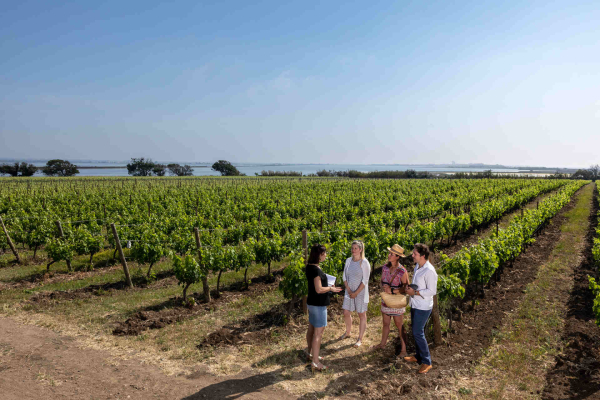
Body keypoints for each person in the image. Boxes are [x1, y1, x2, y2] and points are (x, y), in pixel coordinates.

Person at [305, 244, 342, 371]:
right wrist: (331, 288)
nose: (326, 255)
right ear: (320, 255)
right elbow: (319, 289)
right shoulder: (316, 270)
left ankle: (310, 354)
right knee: (318, 333)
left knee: (311, 328)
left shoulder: (310, 267)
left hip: (311, 303)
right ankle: (315, 363)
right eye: (324, 253)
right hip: (318, 305)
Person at [404, 243, 438, 374]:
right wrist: (410, 289)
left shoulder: (430, 271)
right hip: (415, 304)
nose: (412, 255)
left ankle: (427, 362)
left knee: (418, 332)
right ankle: (418, 356)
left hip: (423, 307)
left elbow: (432, 291)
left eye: (415, 254)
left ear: (423, 256)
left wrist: (416, 293)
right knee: (416, 331)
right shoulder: (418, 266)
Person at [372, 244, 410, 356]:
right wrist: (383, 288)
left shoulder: (402, 271)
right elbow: (382, 282)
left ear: (398, 257)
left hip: (396, 302)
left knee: (399, 325)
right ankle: (382, 344)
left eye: (392, 254)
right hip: (386, 301)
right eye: (389, 253)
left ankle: (404, 350)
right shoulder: (384, 267)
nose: (389, 255)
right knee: (385, 323)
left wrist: (393, 291)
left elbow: (406, 287)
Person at [339, 240, 371, 348]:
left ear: (361, 250)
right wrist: (348, 289)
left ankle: (360, 339)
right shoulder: (348, 261)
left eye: (355, 248)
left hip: (360, 292)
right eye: (352, 248)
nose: (353, 250)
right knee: (346, 312)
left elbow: (365, 280)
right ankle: (348, 332)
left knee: (361, 314)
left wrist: (356, 292)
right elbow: (344, 276)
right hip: (349, 291)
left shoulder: (364, 262)